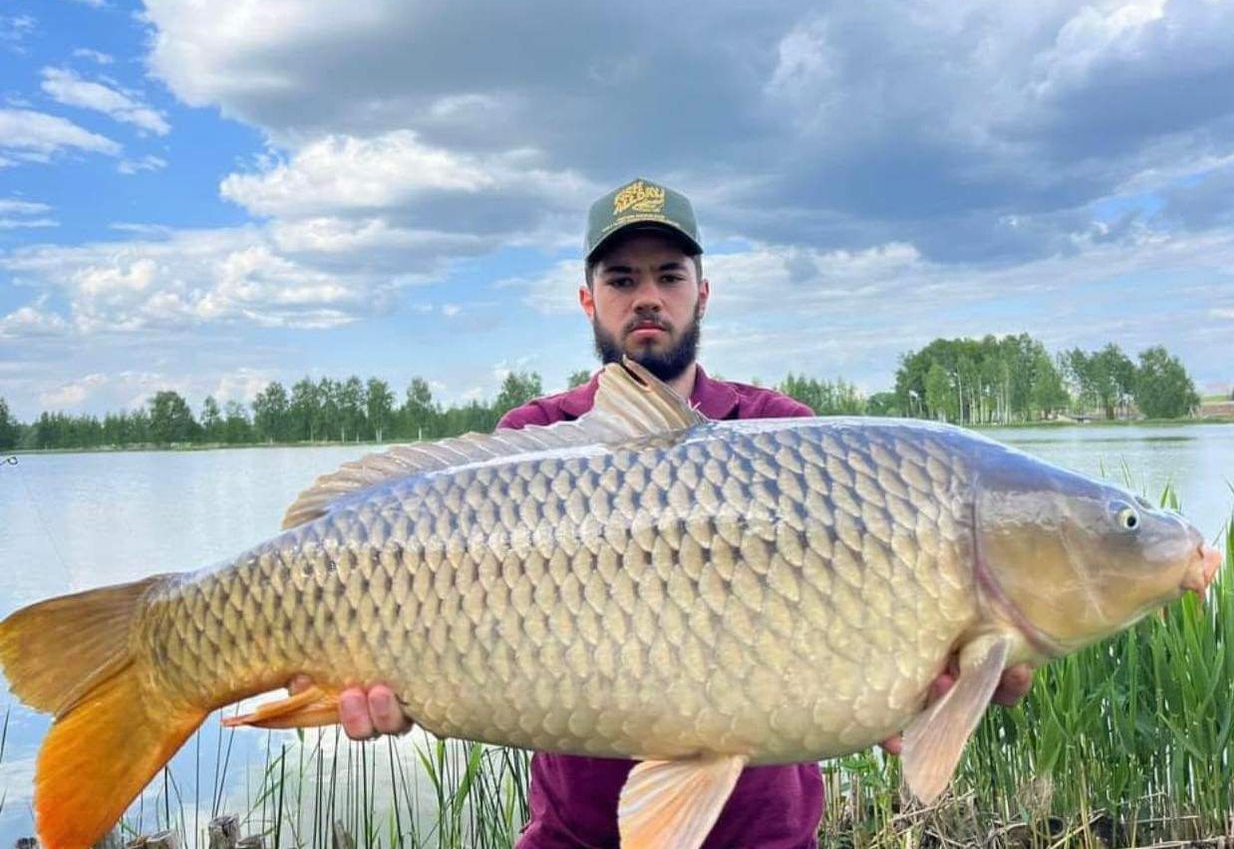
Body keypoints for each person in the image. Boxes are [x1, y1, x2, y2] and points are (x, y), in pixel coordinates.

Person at [305, 178, 1033, 847]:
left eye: (668, 276)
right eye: (622, 279)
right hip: (574, 835)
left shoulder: (784, 433)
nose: (646, 296)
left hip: (764, 834)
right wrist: (395, 684)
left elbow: (855, 648)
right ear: (588, 299)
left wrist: (921, 695)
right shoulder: (532, 440)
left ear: (702, 293)